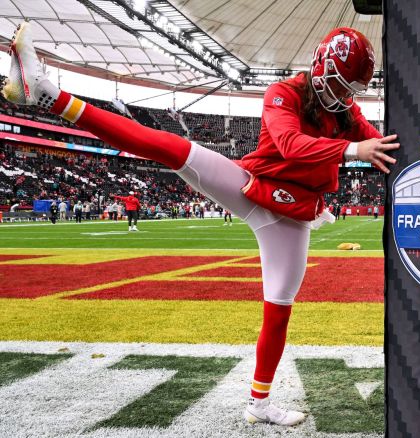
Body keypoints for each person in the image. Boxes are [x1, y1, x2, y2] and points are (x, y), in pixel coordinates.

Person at [2, 23, 397, 426]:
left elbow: (383, 143)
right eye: (339, 84)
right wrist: (351, 150)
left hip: (294, 214)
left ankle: (259, 404)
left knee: (279, 309)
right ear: (320, 66)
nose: (344, 96)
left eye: (350, 89)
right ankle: (49, 95)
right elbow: (289, 145)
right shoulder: (283, 93)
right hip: (251, 186)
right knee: (166, 146)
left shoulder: (345, 111)